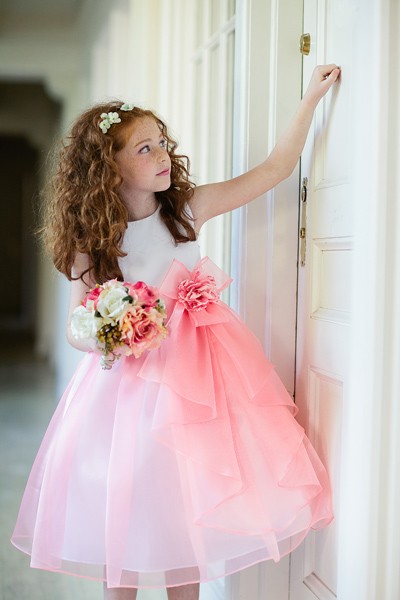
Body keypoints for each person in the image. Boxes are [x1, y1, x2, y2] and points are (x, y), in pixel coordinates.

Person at [11, 64, 340, 600]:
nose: (163, 155)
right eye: (144, 149)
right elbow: (77, 324)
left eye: (163, 143)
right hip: (126, 389)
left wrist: (308, 101)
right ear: (108, 167)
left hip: (202, 378)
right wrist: (109, 331)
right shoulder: (95, 239)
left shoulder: (186, 212)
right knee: (128, 503)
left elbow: (275, 169)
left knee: (183, 508)